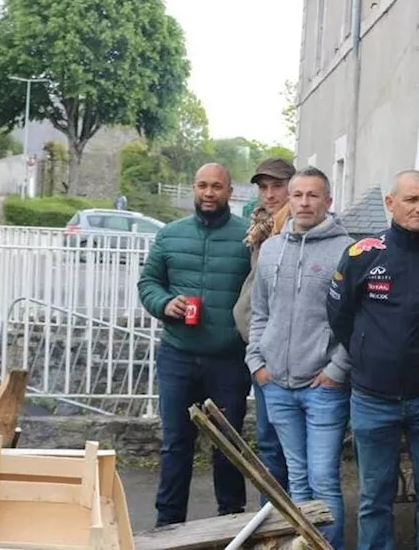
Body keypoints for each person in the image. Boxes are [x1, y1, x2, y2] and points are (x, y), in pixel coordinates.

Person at [327, 170, 419, 550]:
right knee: (374, 498)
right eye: (412, 199)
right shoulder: (362, 256)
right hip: (373, 398)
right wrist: (367, 354)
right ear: (390, 203)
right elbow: (340, 317)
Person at [138, 163, 253, 526]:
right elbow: (148, 283)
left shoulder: (247, 238)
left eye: (216, 186)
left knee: (228, 446)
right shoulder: (170, 235)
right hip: (177, 356)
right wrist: (163, 303)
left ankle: (230, 522)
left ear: (229, 192)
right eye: (202, 186)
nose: (208, 193)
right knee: (175, 444)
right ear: (193, 188)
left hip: (228, 360)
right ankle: (168, 524)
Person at [247, 168, 353, 549]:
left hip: (323, 387)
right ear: (288, 200)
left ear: (328, 201)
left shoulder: (347, 251)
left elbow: (357, 321)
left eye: (313, 195)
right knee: (295, 479)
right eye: (297, 195)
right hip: (276, 383)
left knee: (323, 480)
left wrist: (337, 369)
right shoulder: (272, 248)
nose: (304, 202)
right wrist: (257, 363)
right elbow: (260, 312)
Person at [234, 156, 297, 497]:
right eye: (264, 187)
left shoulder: (292, 228)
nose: (270, 194)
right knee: (269, 443)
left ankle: (290, 524)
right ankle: (270, 522)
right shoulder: (262, 227)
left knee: (285, 446)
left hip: (286, 353)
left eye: (278, 186)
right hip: (260, 349)